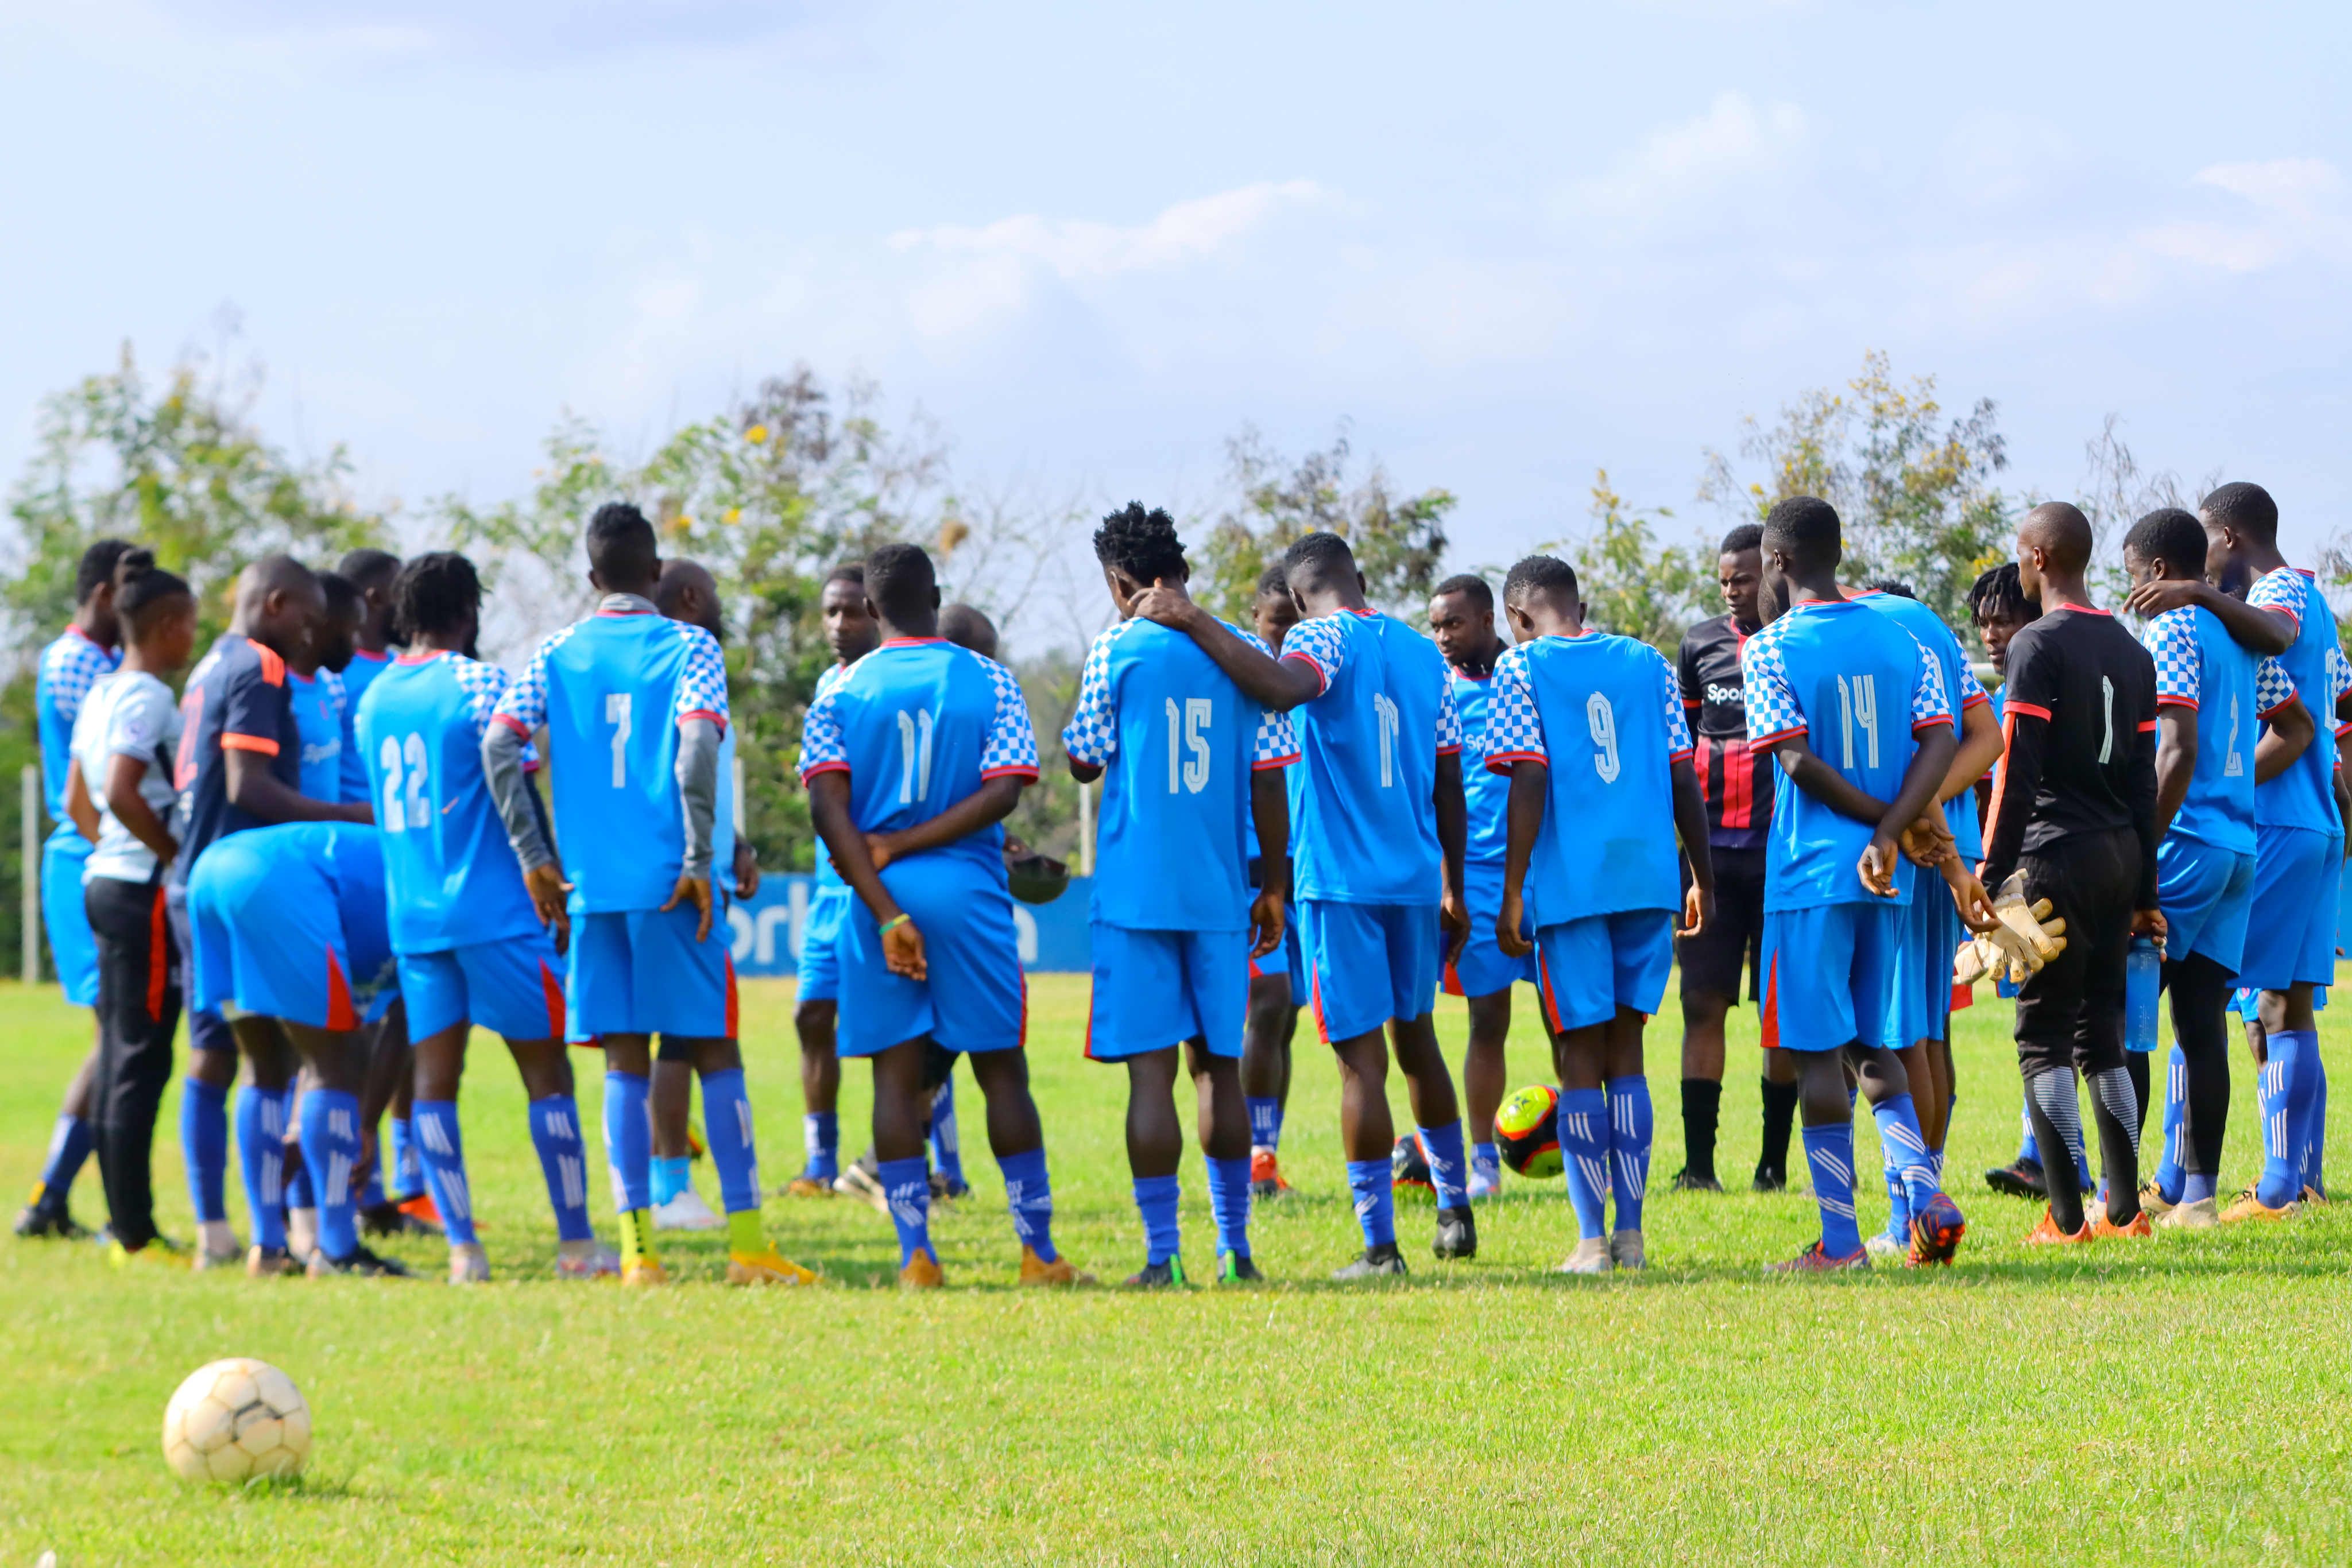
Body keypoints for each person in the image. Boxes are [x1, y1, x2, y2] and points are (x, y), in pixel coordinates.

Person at [1128, 530, 1476, 1278]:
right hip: (1418, 877)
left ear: (1293, 596)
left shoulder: (1319, 637)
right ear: (1360, 576)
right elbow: (1449, 777)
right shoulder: (1422, 651)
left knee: (1361, 1064)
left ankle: (1380, 1247)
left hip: (1343, 883)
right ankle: (1455, 1210)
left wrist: (1191, 617)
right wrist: (1454, 882)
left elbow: (1282, 688)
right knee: (1418, 1040)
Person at [486, 502, 813, 1288]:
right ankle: (747, 1246)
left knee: (623, 1061)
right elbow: (698, 744)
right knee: (715, 1048)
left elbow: (499, 742)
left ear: (592, 576)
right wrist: (700, 854)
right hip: (675, 884)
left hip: (593, 890)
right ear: (656, 572)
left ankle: (638, 1253)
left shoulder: (555, 650)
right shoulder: (690, 644)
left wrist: (534, 855)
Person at [800, 542, 1086, 1289]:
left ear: (870, 606)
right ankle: (1037, 1253)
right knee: (1002, 1072)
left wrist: (886, 906)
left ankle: (916, 1257)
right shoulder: (989, 677)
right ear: (935, 596)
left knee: (895, 1078)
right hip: (968, 893)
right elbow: (1004, 792)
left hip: (875, 897)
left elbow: (827, 810)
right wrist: (913, 842)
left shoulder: (840, 689)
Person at [356, 551, 620, 1282]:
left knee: (435, 1082)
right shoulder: (479, 683)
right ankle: (576, 1245)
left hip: (415, 918)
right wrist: (548, 871)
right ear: (470, 611)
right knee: (546, 1073)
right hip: (496, 912)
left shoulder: (374, 698)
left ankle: (463, 1251)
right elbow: (518, 786)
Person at [1062, 504, 1294, 1286]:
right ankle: (1235, 1249)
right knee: (1218, 1067)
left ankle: (1162, 1256)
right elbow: (1270, 777)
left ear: (1119, 579)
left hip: (1135, 895)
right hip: (1219, 891)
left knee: (1149, 1074)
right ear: (1181, 569)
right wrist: (1273, 884)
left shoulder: (1118, 647)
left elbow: (1084, 758)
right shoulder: (1238, 651)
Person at [1739, 495, 1968, 1271]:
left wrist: (1878, 824)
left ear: (1776, 560)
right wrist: (1896, 828)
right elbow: (1941, 739)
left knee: (1814, 1054)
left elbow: (1796, 760)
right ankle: (1925, 1193)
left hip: (1810, 873)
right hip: (1887, 873)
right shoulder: (1904, 637)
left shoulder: (1769, 648)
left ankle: (1840, 1243)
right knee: (1873, 1040)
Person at [1487, 555, 1713, 1272]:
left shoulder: (1520, 668)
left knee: (1579, 1052)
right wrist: (1699, 875)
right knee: (1628, 1052)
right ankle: (1631, 1236)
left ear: (1516, 618)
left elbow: (1529, 775)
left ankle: (1590, 1241)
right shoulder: (1648, 662)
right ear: (1578, 605)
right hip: (1647, 876)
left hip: (1573, 882)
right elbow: (1682, 772)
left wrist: (1513, 887)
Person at [2123, 481, 2342, 1221]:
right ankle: (2286, 1178)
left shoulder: (2265, 598)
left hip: (2252, 826)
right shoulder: (2311, 609)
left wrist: (2192, 592)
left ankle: (2204, 1183)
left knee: (2199, 1006)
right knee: (2265, 1007)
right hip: (2293, 823)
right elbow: (2325, 713)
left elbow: (2271, 643)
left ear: (2227, 538)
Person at [169, 556, 373, 1269]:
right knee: (316, 1054)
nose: (313, 635)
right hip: (255, 878)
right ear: (277, 604)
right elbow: (249, 786)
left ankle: (244, 1236)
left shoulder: (209, 664)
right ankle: (326, 1240)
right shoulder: (261, 665)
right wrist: (355, 818)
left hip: (198, 879)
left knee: (239, 1058)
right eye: (309, 620)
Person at [1982, 502, 2163, 1244]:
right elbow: (2145, 783)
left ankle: (2064, 1218)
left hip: (2054, 856)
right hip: (2119, 856)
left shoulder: (2037, 644)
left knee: (2044, 1035)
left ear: (2039, 557)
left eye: (2020, 554)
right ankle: (2124, 1210)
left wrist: (1991, 878)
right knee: (2102, 1035)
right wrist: (2146, 892)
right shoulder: (2133, 649)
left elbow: (2015, 771)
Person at [1851, 580, 2005, 1257]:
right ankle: (1926, 1201)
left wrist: (1911, 812)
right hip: (1952, 841)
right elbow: (1987, 737)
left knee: (1899, 1035)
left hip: (1912, 848)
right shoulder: (1931, 626)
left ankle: (1909, 1216)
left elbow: (1908, 753)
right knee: (1929, 1030)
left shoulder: (1858, 630)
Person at [185, 820, 409, 1276]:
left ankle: (267, 1246)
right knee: (336, 1062)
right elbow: (399, 1026)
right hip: (279, 878)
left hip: (211, 871)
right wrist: (365, 1125)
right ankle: (337, 1249)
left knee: (263, 1064)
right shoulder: (450, 904)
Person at [60, 550, 196, 1264]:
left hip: (104, 882)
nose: (194, 639)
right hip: (141, 891)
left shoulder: (102, 693)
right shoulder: (149, 698)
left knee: (119, 1051)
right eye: (191, 625)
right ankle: (134, 1230)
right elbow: (118, 790)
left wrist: (111, 850)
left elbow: (76, 801)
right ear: (168, 625)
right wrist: (170, 858)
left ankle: (125, 1223)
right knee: (141, 1059)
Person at [16, 537, 133, 1240]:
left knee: (118, 1036)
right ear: (105, 593)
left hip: (101, 855)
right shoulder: (75, 662)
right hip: (84, 855)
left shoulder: (104, 660)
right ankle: (52, 1199)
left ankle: (52, 1199)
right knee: (116, 1034)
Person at [646, 558, 763, 1233]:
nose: (720, 603)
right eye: (714, 592)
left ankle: (667, 1189)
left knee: (678, 1038)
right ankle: (671, 1190)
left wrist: (735, 840)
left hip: (689, 865)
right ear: (692, 597)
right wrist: (704, 856)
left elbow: (695, 779)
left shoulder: (659, 665)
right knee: (690, 1037)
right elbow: (682, 765)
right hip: (684, 876)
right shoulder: (687, 660)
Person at [1672, 524, 1785, 1192]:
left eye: (1742, 578)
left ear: (1770, 571)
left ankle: (1773, 1165)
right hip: (1710, 859)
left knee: (1780, 1014)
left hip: (1781, 858)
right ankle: (1699, 1167)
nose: (1731, 590)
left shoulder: (1793, 641)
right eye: (1723, 581)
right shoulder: (1699, 643)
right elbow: (1685, 744)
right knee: (1701, 1006)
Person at [1967, 565, 2086, 1201]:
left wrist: (1992, 879)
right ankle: (2049, 1157)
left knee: (2055, 1023)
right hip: (2044, 864)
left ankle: (2056, 1164)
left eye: (2003, 620)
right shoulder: (2001, 693)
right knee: (2055, 1019)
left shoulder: (2042, 683)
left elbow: (2014, 791)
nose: (1991, 634)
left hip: (2050, 864)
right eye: (1983, 622)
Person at [1426, 573, 1534, 1201]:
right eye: (1436, 625)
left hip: (1545, 874)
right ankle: (1484, 1161)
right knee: (1487, 1019)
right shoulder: (1438, 692)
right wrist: (1451, 884)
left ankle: (1585, 1147)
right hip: (1479, 877)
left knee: (1568, 1022)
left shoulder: (1529, 677)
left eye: (1454, 623)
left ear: (1489, 620)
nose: (1442, 636)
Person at [786, 564, 880, 1198]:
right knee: (812, 1014)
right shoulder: (826, 684)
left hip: (881, 882)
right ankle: (820, 1164)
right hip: (829, 888)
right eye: (830, 611)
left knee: (905, 1031)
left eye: (851, 610)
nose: (839, 623)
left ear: (877, 612)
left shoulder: (890, 681)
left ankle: (940, 1166)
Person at [1242, 564, 1307, 1199]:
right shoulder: (1244, 679)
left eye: (1297, 622)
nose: (1287, 637)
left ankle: (1267, 1151)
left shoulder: (1319, 679)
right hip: (1251, 871)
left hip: (1304, 872)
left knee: (1284, 1016)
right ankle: (1253, 1158)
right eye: (1277, 624)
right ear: (1256, 620)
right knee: (1267, 1001)